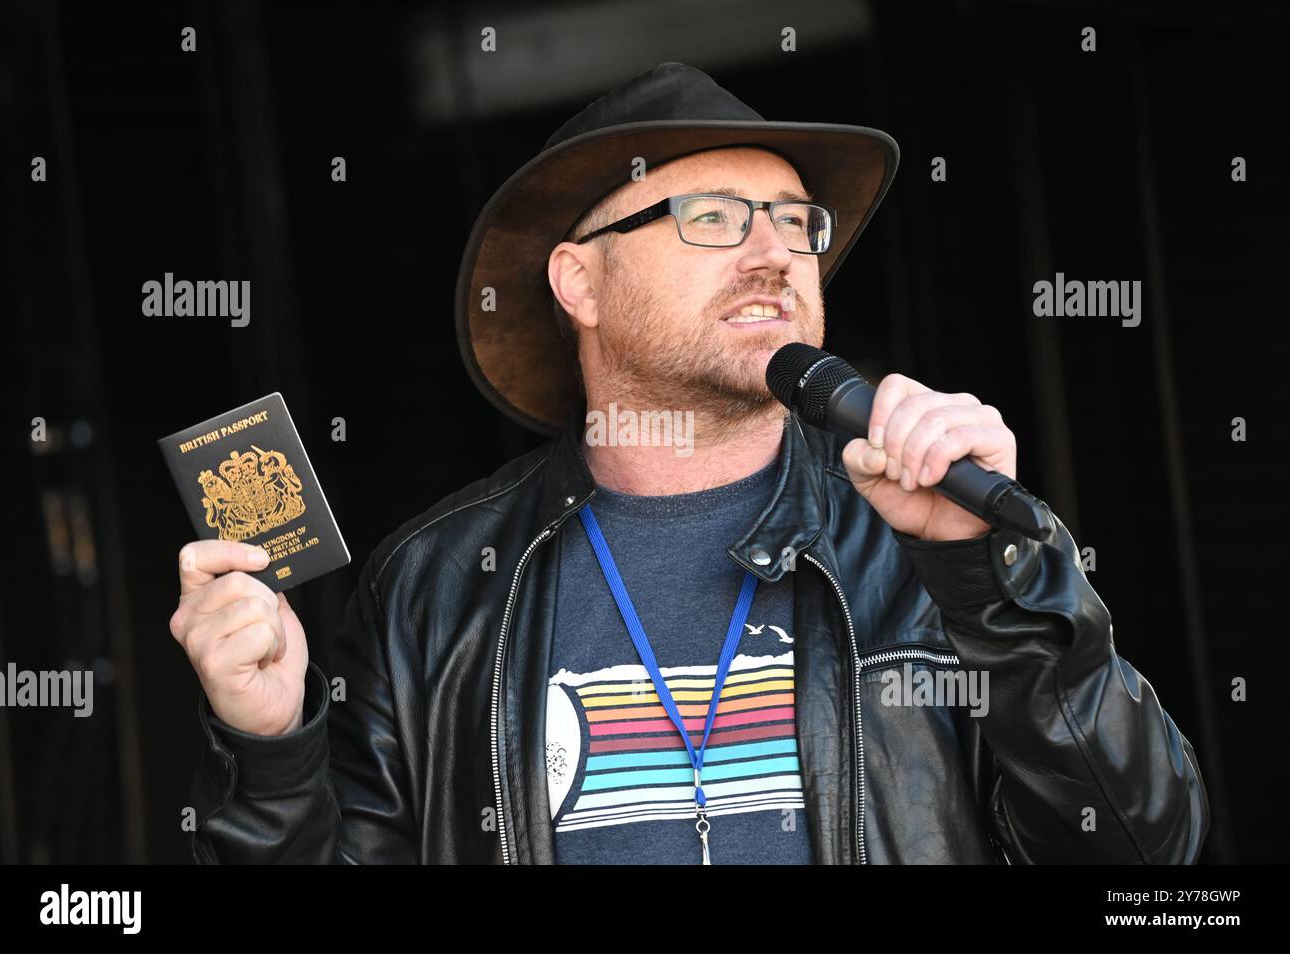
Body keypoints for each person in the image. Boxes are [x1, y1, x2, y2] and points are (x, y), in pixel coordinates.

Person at [170, 62, 1209, 864]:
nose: (775, 251)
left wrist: (1001, 587)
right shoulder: (436, 583)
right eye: (711, 218)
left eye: (798, 223)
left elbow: (1141, 855)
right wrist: (269, 751)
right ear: (577, 280)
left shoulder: (934, 543)